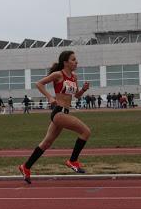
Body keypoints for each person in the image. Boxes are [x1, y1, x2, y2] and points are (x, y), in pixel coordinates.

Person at [19, 50, 91, 184]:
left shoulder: (74, 77)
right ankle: (72, 161)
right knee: (85, 131)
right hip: (59, 112)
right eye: (73, 60)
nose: (76, 62)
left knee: (46, 143)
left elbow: (76, 96)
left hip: (65, 112)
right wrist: (50, 97)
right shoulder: (58, 74)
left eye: (76, 59)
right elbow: (39, 83)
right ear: (65, 62)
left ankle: (26, 166)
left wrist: (84, 90)